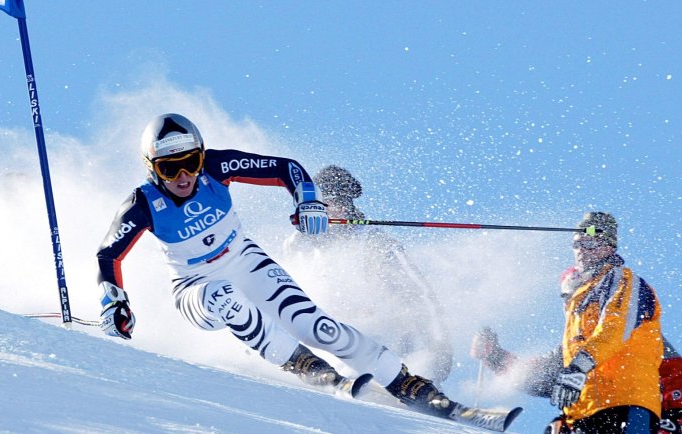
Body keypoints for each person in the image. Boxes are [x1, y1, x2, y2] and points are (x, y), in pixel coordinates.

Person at [95, 113, 456, 416]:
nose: (183, 176)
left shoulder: (217, 167)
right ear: (151, 168)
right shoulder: (142, 203)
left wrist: (308, 201)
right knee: (224, 296)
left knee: (316, 325)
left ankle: (402, 379)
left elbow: (286, 169)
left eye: (190, 163)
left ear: (202, 156)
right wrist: (114, 302)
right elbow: (108, 254)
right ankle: (305, 365)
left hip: (244, 260)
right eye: (169, 168)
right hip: (195, 286)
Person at [471, 212, 668, 433]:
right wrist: (495, 356)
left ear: (609, 247)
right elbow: (548, 373)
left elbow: (613, 330)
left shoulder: (624, 282)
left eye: (591, 243)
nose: (582, 250)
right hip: (582, 414)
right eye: (578, 244)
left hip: (624, 404)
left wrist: (578, 367)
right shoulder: (578, 302)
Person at [283, 165, 453, 383]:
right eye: (321, 205)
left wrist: (439, 347)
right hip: (323, 345)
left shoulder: (372, 242)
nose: (329, 211)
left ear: (347, 207)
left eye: (336, 204)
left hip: (380, 343)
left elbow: (420, 295)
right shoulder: (297, 246)